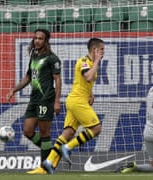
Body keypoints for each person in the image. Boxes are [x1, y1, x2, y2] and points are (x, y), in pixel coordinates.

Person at [42, 38, 104, 174]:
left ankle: (48, 161)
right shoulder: (83, 61)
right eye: (102, 50)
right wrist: (97, 61)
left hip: (76, 100)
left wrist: (90, 93)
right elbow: (88, 77)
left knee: (68, 132)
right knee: (96, 128)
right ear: (95, 50)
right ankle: (68, 147)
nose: (103, 53)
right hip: (77, 101)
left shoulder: (91, 63)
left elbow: (85, 82)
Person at [6, 29, 62, 174]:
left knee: (44, 132)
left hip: (46, 99)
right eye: (35, 38)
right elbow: (28, 77)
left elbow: (58, 80)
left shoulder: (52, 59)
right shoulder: (34, 56)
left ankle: (44, 167)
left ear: (46, 41)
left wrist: (57, 101)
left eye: (40, 39)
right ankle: (53, 153)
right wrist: (14, 89)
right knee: (27, 131)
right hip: (34, 99)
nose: (37, 41)